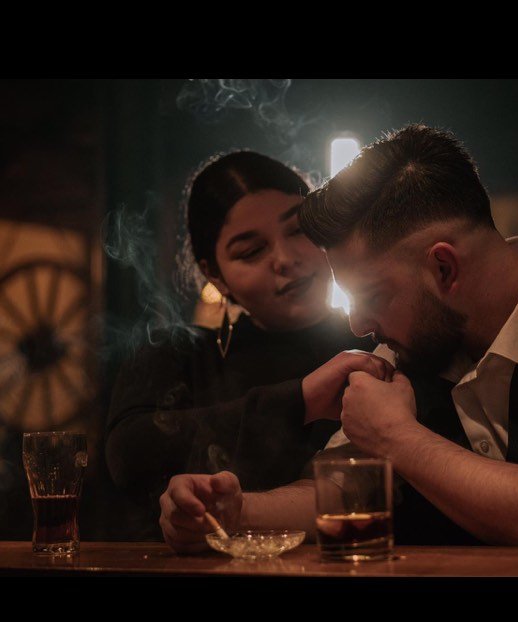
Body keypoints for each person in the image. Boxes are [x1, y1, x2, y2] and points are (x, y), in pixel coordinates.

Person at [158, 126, 518, 552]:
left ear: (443, 267)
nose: (357, 325)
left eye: (371, 294)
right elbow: (341, 488)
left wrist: (397, 437)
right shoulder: (411, 346)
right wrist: (232, 513)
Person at [106, 151, 394, 538]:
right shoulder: (182, 354)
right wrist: (299, 401)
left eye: (298, 230)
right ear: (215, 275)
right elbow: (129, 455)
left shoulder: (377, 338)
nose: (285, 259)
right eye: (251, 251)